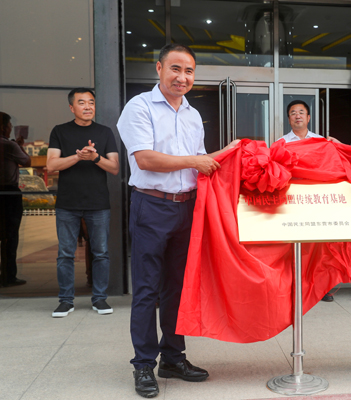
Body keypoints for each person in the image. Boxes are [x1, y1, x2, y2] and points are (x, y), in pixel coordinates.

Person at [117, 43, 238, 399]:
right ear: (159, 69)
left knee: (177, 288)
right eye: (175, 68)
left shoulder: (191, 114)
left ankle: (172, 357)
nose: (182, 77)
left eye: (189, 71)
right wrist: (195, 161)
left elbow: (200, 162)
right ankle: (143, 364)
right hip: (151, 206)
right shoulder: (139, 107)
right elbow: (145, 159)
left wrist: (228, 154)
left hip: (186, 208)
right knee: (146, 290)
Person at [46, 88, 119, 318]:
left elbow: (114, 167)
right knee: (65, 254)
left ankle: (99, 299)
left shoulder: (105, 132)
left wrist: (95, 157)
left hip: (98, 203)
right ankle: (66, 301)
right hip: (67, 203)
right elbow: (51, 165)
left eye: (91, 102)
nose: (88, 106)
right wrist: (78, 156)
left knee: (101, 253)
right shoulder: (59, 131)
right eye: (82, 102)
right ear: (72, 107)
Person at [278, 100, 335, 302]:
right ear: (289, 119)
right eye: (293, 113)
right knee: (294, 245)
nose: (298, 116)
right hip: (292, 200)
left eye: (301, 112)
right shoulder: (281, 143)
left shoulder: (320, 141)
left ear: (308, 117)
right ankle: (296, 285)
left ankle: (322, 287)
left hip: (316, 199)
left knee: (320, 245)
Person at [0, 112, 31, 287]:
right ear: (3, 127)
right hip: (8, 193)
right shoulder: (8, 145)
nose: (11, 128)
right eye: (9, 125)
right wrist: (19, 147)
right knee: (10, 235)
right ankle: (8, 275)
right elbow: (27, 161)